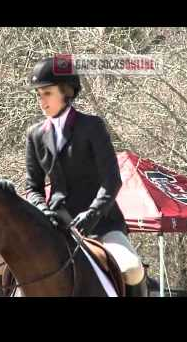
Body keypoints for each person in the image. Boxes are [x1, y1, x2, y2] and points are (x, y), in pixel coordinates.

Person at [24, 56, 147, 297]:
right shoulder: (35, 135)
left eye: (47, 93)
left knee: (132, 270)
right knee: (6, 265)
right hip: (56, 225)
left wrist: (91, 214)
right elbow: (33, 187)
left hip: (101, 223)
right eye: (38, 95)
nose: (41, 100)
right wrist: (43, 209)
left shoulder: (91, 127)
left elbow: (111, 180)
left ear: (66, 92)